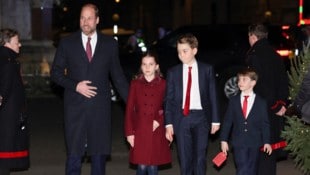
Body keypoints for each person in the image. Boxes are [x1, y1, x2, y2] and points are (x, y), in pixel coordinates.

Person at [50, 3, 129, 175]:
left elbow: (118, 77)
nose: (85, 22)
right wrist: (75, 85)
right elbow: (55, 74)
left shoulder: (109, 44)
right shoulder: (67, 43)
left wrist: (134, 103)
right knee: (74, 158)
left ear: (97, 20)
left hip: (99, 111)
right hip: (74, 109)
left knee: (99, 161)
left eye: (89, 18)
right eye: (82, 18)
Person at [164, 33, 220, 175]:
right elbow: (169, 100)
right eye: (178, 52)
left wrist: (215, 119)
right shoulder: (173, 72)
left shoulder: (206, 69)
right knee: (184, 158)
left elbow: (213, 95)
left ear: (194, 50)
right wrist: (169, 124)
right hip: (181, 118)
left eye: (185, 51)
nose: (181, 55)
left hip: (201, 117)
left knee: (200, 157)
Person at [246, 23, 289, 175]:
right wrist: (282, 104)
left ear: (253, 36)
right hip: (275, 111)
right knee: (270, 153)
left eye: (249, 38)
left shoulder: (253, 55)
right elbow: (284, 81)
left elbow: (259, 85)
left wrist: (274, 105)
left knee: (259, 154)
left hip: (262, 110)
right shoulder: (275, 54)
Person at [124, 51, 171, 175]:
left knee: (152, 166)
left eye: (151, 64)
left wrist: (159, 120)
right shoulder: (135, 84)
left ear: (156, 66)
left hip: (156, 130)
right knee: (142, 166)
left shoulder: (163, 84)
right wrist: (129, 133)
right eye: (144, 64)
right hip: (140, 130)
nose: (147, 67)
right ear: (141, 66)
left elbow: (167, 107)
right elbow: (129, 109)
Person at [220, 68, 272, 175]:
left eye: (244, 79)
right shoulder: (233, 101)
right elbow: (228, 121)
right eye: (239, 80)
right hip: (238, 142)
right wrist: (223, 140)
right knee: (242, 167)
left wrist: (267, 141)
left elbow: (265, 123)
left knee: (252, 169)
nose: (240, 82)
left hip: (255, 141)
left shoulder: (261, 102)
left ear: (253, 83)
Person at [0, 28, 29, 174]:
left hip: (7, 116)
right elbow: (4, 91)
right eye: (17, 42)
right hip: (7, 119)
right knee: (4, 159)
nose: (20, 45)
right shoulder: (8, 62)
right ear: (7, 43)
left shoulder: (7, 59)